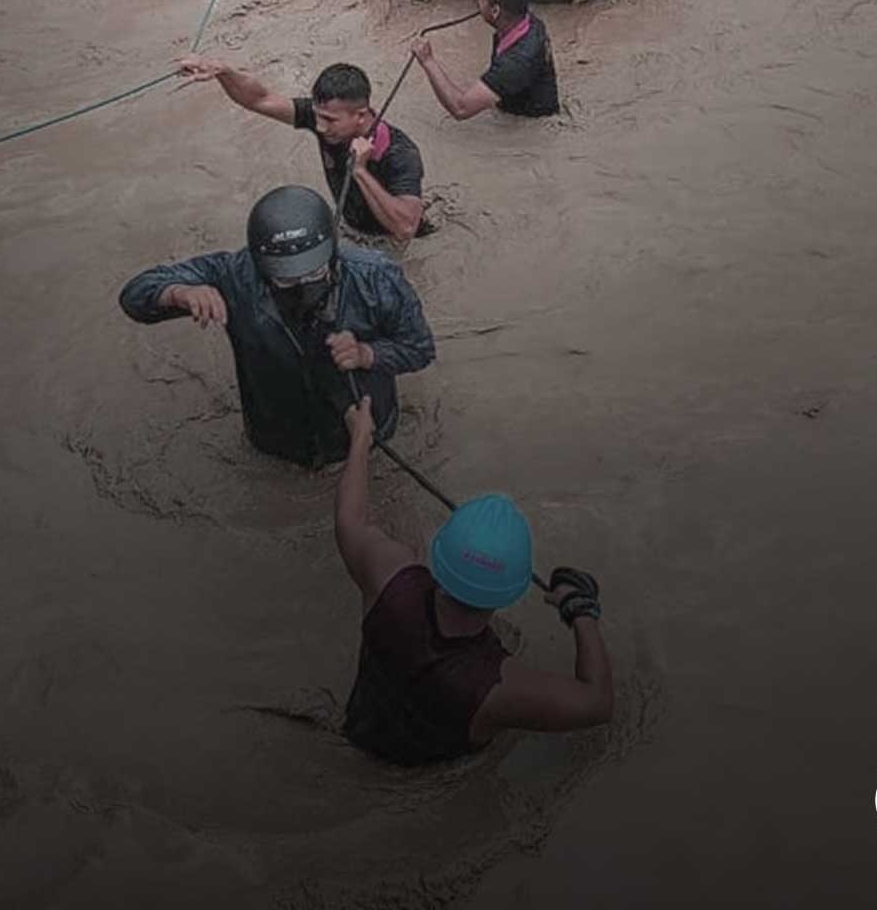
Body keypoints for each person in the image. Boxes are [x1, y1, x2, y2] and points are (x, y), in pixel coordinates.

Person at [337, 394, 613, 763]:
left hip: (353, 739)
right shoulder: (499, 688)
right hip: (428, 782)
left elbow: (350, 520)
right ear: (511, 592)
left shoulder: (389, 577)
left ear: (440, 554)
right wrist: (581, 611)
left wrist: (360, 437)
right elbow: (598, 703)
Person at [119, 187, 435, 466]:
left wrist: (367, 354)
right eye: (285, 277)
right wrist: (179, 293)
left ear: (332, 251)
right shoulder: (235, 276)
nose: (302, 285)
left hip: (364, 432)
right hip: (277, 441)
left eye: (314, 273)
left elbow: (420, 349)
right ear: (260, 263)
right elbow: (134, 296)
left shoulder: (376, 277)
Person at [176, 58, 426, 245]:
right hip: (350, 228)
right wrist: (224, 72)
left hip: (389, 240)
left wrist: (360, 171)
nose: (320, 126)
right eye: (317, 116)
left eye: (329, 120)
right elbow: (259, 99)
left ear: (360, 116)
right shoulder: (323, 118)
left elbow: (406, 229)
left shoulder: (400, 153)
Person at [413, 0, 560, 119]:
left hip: (527, 123)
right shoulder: (527, 21)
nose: (478, 3)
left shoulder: (515, 63)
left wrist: (428, 61)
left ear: (495, 11)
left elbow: (460, 109)